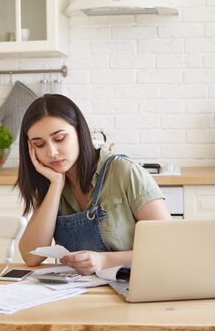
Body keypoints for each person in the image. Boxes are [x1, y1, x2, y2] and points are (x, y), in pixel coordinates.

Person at [16, 94, 171, 275]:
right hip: (80, 292)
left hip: (137, 285)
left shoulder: (124, 172)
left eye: (59, 139)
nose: (51, 152)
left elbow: (168, 247)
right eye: (40, 144)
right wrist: (56, 185)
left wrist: (104, 260)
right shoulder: (52, 183)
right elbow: (31, 257)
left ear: (80, 133)